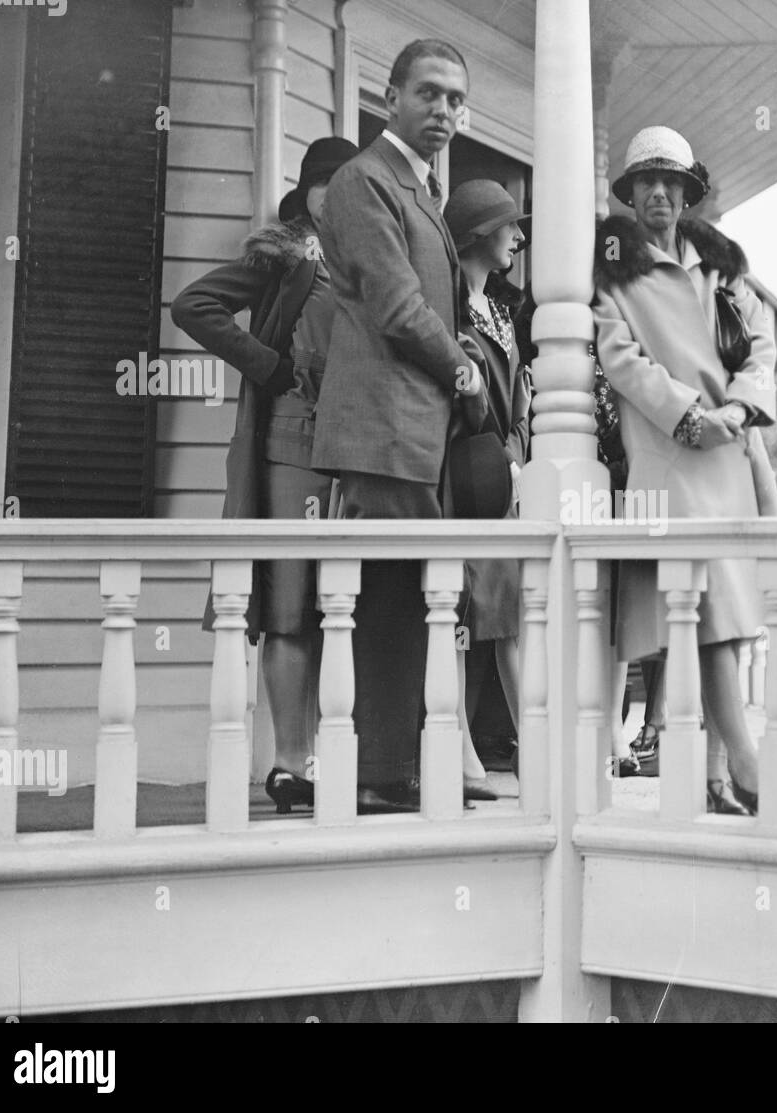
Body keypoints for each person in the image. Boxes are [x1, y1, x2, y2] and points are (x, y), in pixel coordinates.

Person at [311, 40, 487, 814]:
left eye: (455, 98)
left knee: (408, 593)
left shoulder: (418, 190)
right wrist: (464, 371)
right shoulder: (365, 181)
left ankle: (392, 764)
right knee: (389, 595)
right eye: (429, 94)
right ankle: (381, 771)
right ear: (389, 99)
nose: (444, 110)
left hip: (415, 431)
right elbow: (395, 307)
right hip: (384, 427)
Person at [593, 125, 777, 817]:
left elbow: (760, 346)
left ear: (689, 193)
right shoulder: (612, 271)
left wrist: (738, 409)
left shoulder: (720, 263)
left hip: (730, 452)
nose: (661, 195)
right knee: (708, 614)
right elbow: (621, 360)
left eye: (673, 184)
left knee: (719, 615)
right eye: (648, 183)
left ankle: (716, 775)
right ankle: (749, 765)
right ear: (631, 193)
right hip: (671, 459)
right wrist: (687, 415)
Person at [171, 136, 359, 813]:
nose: (337, 196)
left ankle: (325, 756)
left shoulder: (363, 262)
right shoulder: (284, 258)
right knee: (287, 608)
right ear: (307, 192)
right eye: (326, 184)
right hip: (290, 450)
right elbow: (194, 306)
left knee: (333, 607)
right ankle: (287, 761)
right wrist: (266, 364)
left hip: (353, 454)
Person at [443, 179, 533, 802]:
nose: (519, 237)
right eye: (509, 227)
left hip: (507, 477)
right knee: (455, 613)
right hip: (464, 476)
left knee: (508, 615)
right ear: (479, 232)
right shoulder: (448, 310)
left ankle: (538, 740)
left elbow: (518, 395)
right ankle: (458, 751)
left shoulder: (499, 312)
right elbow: (458, 397)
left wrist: (521, 453)